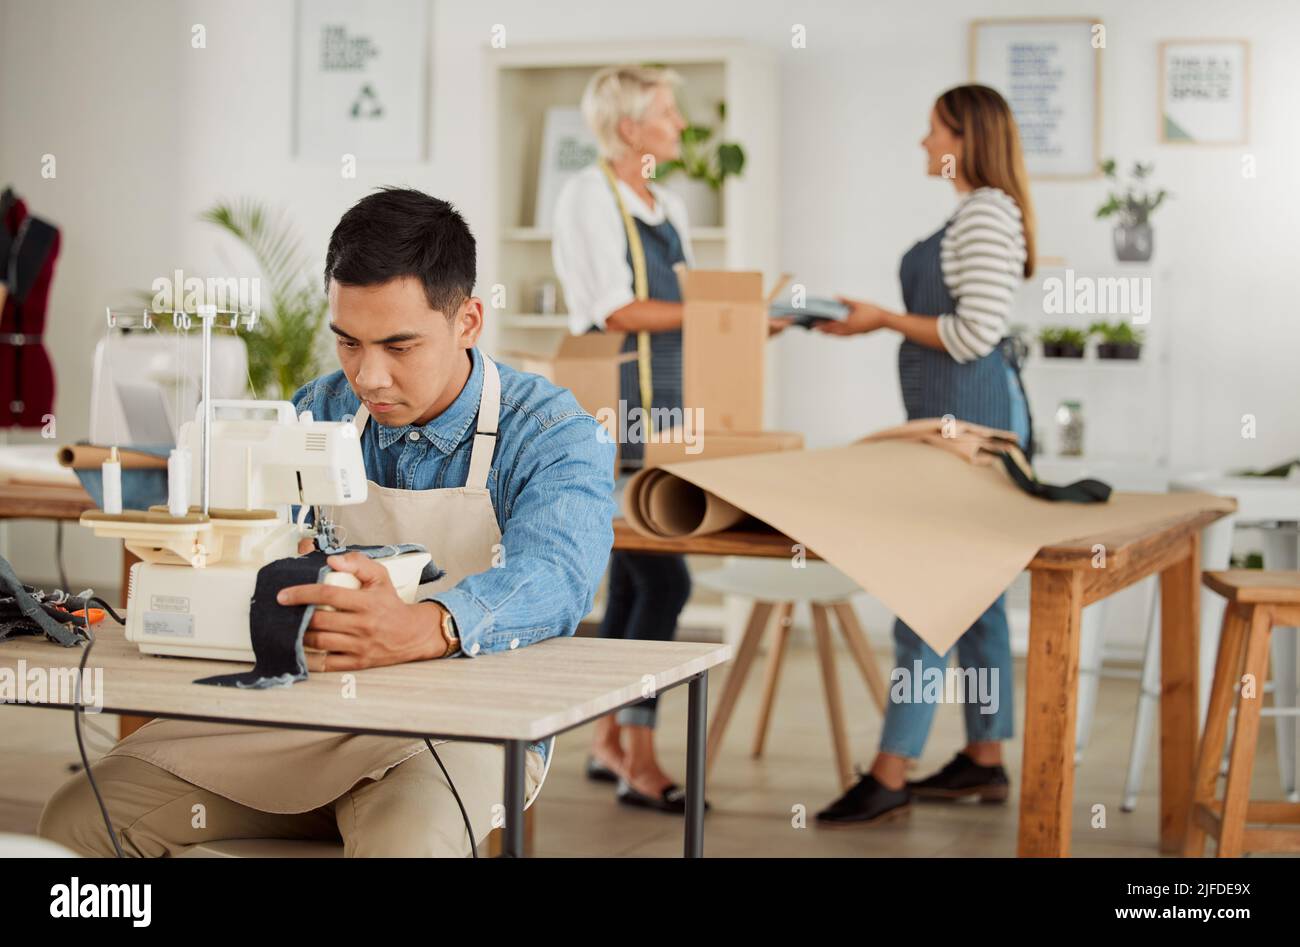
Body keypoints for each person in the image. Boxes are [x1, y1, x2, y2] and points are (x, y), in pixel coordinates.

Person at [39, 187, 617, 856]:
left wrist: (430, 623)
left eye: (400, 345)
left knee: (404, 845)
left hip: (458, 730)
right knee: (78, 818)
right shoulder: (318, 409)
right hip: (304, 715)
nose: (369, 375)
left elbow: (557, 576)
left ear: (468, 321)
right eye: (349, 341)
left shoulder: (550, 431)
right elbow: (253, 532)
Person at [552, 65, 786, 813]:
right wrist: (725, 317)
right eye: (667, 113)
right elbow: (616, 311)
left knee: (636, 575)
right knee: (666, 580)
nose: (681, 126)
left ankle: (610, 740)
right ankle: (640, 755)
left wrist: (746, 323)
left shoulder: (671, 203)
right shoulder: (589, 195)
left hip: (674, 416)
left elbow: (687, 306)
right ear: (629, 130)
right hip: (617, 413)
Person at [813, 85, 1036, 826]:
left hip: (973, 433)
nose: (923, 142)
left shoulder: (987, 214)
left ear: (965, 138)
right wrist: (873, 321)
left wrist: (882, 321)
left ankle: (891, 769)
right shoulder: (978, 213)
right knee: (977, 607)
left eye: (933, 129)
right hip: (956, 425)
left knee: (925, 596)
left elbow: (973, 335)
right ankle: (984, 757)